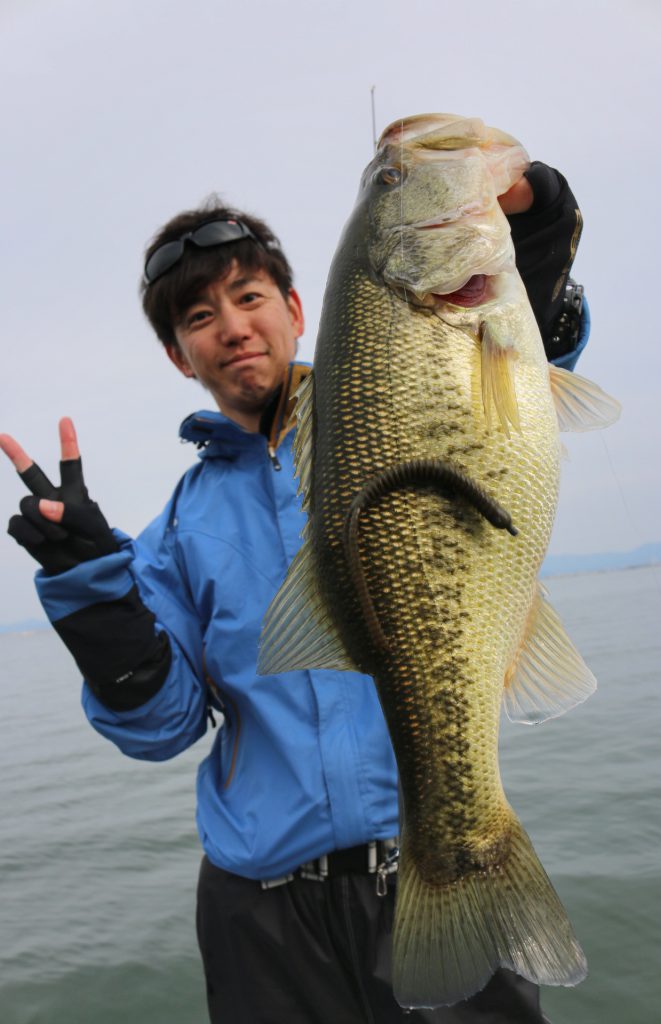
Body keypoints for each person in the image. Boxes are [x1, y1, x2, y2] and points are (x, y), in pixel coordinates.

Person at [0, 159, 588, 1023]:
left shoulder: (403, 398)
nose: (232, 327)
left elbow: (506, 373)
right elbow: (160, 726)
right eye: (199, 317)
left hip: (426, 864)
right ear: (177, 355)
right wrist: (88, 587)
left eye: (249, 297)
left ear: (297, 309)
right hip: (262, 921)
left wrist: (531, 252)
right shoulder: (173, 539)